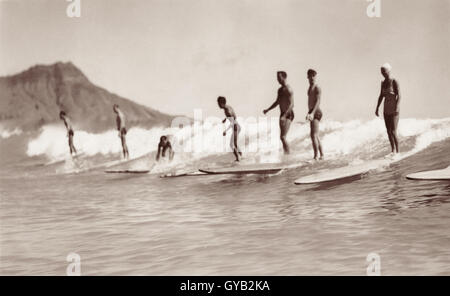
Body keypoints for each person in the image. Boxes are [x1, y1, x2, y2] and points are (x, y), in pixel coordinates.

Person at [263, 71, 294, 154]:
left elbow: (292, 104)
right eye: (277, 78)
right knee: (282, 137)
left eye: (279, 77)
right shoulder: (280, 90)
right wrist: (268, 109)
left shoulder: (289, 89)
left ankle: (289, 155)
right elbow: (277, 102)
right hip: (282, 114)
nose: (277, 79)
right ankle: (286, 155)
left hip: (288, 114)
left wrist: (285, 115)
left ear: (284, 77)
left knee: (283, 137)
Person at [375, 63, 401, 155]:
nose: (383, 73)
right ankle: (393, 150)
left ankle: (398, 152)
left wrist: (397, 106)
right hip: (386, 110)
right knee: (388, 131)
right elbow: (381, 96)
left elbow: (399, 95)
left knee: (393, 131)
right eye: (381, 72)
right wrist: (377, 107)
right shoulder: (383, 83)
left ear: (389, 71)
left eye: (384, 71)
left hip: (394, 110)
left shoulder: (394, 81)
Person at [306, 69, 324, 160]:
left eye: (314, 76)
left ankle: (316, 156)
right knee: (316, 135)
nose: (312, 78)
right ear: (307, 77)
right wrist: (309, 112)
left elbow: (318, 101)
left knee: (313, 135)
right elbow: (310, 102)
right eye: (310, 76)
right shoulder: (309, 88)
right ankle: (322, 155)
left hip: (316, 111)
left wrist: (312, 113)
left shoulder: (317, 87)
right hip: (312, 111)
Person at [217, 96, 242, 162]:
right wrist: (225, 119)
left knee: (232, 144)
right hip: (237, 126)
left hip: (235, 126)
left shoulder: (227, 110)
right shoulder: (228, 107)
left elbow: (233, 120)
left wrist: (226, 130)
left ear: (222, 103)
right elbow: (234, 116)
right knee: (235, 144)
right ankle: (241, 157)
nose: (218, 105)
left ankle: (238, 159)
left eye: (218, 103)